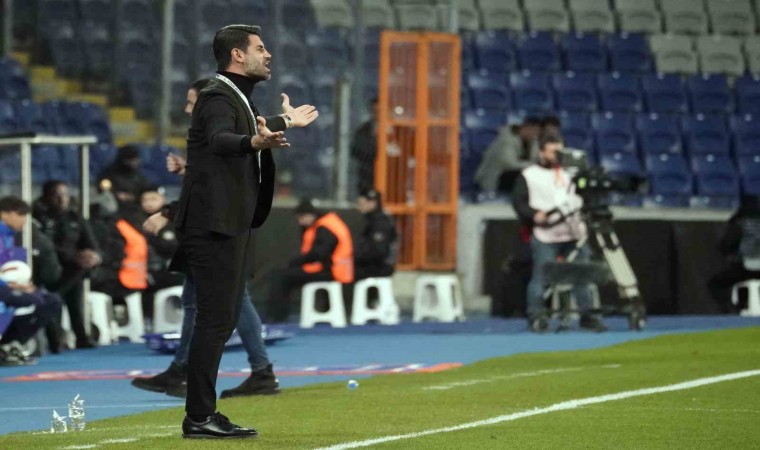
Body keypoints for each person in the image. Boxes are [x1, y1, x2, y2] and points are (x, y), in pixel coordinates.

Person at [170, 24, 317, 439]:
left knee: (222, 317)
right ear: (238, 55)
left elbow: (248, 130)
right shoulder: (217, 95)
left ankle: (201, 413)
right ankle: (199, 416)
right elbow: (222, 139)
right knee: (215, 319)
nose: (268, 55)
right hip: (213, 224)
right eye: (260, 48)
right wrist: (257, 142)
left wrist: (282, 122)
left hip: (228, 222)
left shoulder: (236, 95)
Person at [134, 76, 298, 399]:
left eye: (191, 102)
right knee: (204, 301)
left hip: (215, 228)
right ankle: (231, 371)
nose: (187, 109)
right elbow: (215, 168)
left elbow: (216, 180)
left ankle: (194, 376)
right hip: (212, 227)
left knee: (217, 304)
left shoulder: (219, 130)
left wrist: (167, 211)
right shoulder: (214, 135)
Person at [512, 133, 607, 333]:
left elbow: (585, 194)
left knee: (582, 277)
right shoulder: (529, 175)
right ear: (542, 152)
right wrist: (534, 214)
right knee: (541, 277)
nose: (557, 155)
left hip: (574, 233)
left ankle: (588, 316)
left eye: (560, 151)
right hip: (546, 234)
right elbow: (519, 202)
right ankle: (537, 316)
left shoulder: (571, 173)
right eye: (553, 152)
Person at [33, 180, 102, 348]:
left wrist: (94, 256)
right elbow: (44, 246)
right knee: (72, 278)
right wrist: (74, 256)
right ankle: (68, 337)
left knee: (76, 280)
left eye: (65, 195)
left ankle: (76, 336)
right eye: (57, 195)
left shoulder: (75, 218)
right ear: (46, 197)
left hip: (73, 268)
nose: (62, 199)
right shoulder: (38, 218)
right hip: (48, 268)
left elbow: (92, 244)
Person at [265, 198, 354, 322]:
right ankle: (277, 315)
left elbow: (319, 254)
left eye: (301, 218)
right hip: (332, 269)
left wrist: (297, 262)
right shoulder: (328, 223)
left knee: (281, 276)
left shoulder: (324, 228)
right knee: (283, 273)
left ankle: (276, 317)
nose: (300, 222)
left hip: (332, 271)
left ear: (309, 215)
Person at [0, 197, 62, 365]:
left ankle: (9, 344)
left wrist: (24, 284)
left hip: (8, 286)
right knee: (33, 300)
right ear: (6, 214)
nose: (24, 221)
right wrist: (10, 285)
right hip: (3, 287)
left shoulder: (9, 237)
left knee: (51, 301)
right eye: (21, 215)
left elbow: (9, 267)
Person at [708, 195, 760, 312]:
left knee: (715, 284)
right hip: (749, 266)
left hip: (746, 267)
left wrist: (730, 255)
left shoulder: (739, 222)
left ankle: (730, 310)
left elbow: (727, 244)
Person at [474, 116, 541, 195]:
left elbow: (536, 159)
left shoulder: (529, 142)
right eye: (535, 132)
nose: (536, 135)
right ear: (527, 128)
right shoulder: (506, 140)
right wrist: (533, 165)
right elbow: (510, 164)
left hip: (508, 178)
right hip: (494, 179)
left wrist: (534, 143)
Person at [354, 188, 397, 280]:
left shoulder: (380, 222)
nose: (359, 207)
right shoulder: (369, 219)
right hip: (371, 264)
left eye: (362, 204)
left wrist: (357, 256)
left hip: (380, 266)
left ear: (372, 203)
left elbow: (379, 251)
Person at [350, 97, 378, 193]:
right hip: (367, 178)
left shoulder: (397, 130)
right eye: (375, 111)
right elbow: (355, 151)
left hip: (392, 179)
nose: (378, 114)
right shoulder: (363, 130)